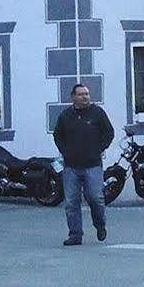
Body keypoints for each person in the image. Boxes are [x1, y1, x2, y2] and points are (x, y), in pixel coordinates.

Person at [53, 82, 115, 245]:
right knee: (71, 202)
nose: (85, 97)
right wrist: (65, 151)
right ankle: (75, 234)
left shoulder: (97, 113)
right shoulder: (65, 116)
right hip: (71, 166)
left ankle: (100, 225)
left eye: (87, 94)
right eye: (81, 94)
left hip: (93, 165)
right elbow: (58, 136)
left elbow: (109, 133)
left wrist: (99, 148)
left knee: (95, 198)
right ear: (73, 97)